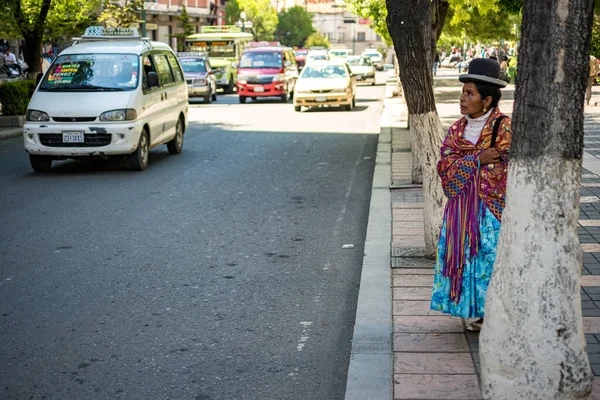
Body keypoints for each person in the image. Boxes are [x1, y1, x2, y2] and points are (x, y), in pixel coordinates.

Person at [430, 58, 512, 332]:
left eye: (469, 93)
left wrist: (486, 163)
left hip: (491, 210)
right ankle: (474, 310)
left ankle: (493, 313)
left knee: (488, 258)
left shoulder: (504, 127)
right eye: (463, 92)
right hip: (461, 211)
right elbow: (444, 164)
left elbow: (510, 165)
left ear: (486, 100)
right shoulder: (456, 129)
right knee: (465, 258)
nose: (462, 99)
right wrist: (478, 159)